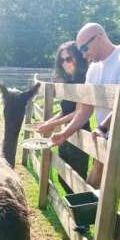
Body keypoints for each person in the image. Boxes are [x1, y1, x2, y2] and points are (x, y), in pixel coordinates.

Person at [50, 23, 120, 189]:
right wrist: (64, 134)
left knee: (99, 169)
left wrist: (102, 128)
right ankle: (95, 210)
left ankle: (86, 210)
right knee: (99, 172)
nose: (84, 54)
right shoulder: (93, 69)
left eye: (85, 48)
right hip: (105, 131)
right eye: (81, 51)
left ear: (99, 36)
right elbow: (85, 109)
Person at [36, 41, 90, 194]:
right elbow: (65, 110)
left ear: (78, 58)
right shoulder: (68, 83)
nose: (65, 63)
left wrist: (51, 125)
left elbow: (79, 112)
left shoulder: (85, 80)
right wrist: (48, 122)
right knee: (63, 176)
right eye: (62, 60)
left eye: (69, 59)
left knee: (77, 179)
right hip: (64, 134)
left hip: (79, 132)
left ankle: (83, 213)